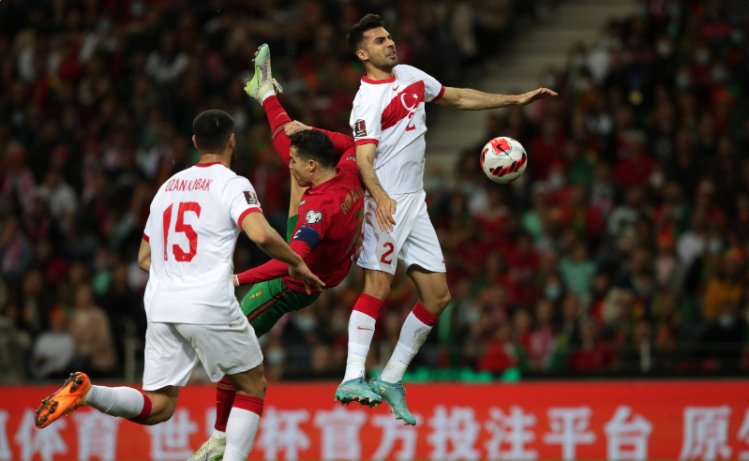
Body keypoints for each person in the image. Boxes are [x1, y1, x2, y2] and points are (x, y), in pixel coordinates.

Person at [34, 109, 324, 461]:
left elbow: (144, 258)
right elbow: (260, 233)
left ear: (194, 143)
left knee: (160, 405)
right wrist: (296, 261)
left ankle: (87, 392)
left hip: (161, 304)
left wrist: (181, 269)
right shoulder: (232, 183)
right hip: (206, 302)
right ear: (232, 141)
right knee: (252, 385)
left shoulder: (166, 188)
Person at [335, 13, 558, 425]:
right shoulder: (366, 101)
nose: (390, 43)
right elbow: (363, 159)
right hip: (384, 203)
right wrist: (381, 198)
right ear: (362, 54)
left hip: (414, 202)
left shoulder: (410, 75)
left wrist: (513, 100)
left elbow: (455, 97)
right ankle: (352, 377)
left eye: (390, 37)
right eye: (380, 41)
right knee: (378, 285)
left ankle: (391, 377)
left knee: (438, 297)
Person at [187, 44, 379, 461]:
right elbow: (344, 143)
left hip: (294, 283)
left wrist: (236, 278)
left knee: (230, 347)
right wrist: (302, 129)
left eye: (297, 162)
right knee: (290, 139)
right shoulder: (347, 166)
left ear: (313, 169)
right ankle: (264, 93)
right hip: (333, 259)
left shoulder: (315, 211)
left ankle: (219, 439)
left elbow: (290, 262)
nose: (289, 165)